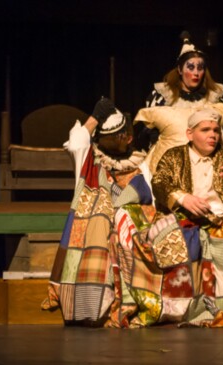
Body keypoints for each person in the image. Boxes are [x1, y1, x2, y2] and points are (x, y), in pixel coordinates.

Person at [41, 97, 154, 326]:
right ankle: (90, 304)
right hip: (95, 231)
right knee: (99, 217)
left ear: (129, 137)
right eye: (108, 138)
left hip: (126, 230)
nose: (114, 142)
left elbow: (149, 203)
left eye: (119, 137)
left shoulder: (141, 166)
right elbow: (76, 142)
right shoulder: (91, 161)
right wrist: (94, 117)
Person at [134, 32, 223, 175]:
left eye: (200, 67)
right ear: (180, 70)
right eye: (190, 67)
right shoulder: (162, 97)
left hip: (208, 165)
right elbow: (148, 134)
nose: (196, 73)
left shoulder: (215, 98)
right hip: (172, 166)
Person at [151, 108, 223, 223]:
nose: (212, 135)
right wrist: (182, 198)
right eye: (205, 130)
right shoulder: (174, 156)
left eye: (216, 131)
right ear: (190, 134)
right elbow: (158, 182)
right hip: (184, 220)